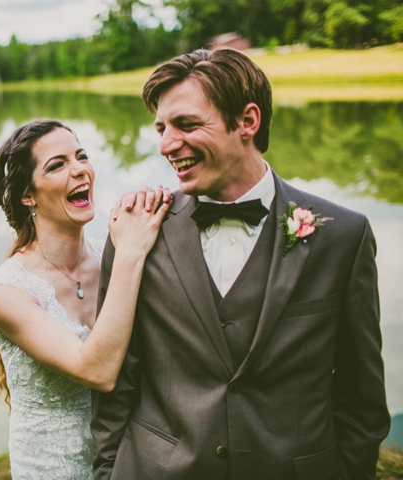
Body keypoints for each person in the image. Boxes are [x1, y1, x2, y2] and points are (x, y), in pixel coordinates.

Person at [91, 48, 390, 480]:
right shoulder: (136, 231)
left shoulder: (343, 235)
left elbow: (360, 394)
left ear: (248, 121)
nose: (166, 145)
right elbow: (118, 382)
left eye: (187, 124)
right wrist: (109, 472)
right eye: (161, 128)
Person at [0, 119, 171, 479]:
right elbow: (96, 371)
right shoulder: (5, 292)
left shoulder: (113, 256)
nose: (80, 169)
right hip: (53, 468)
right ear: (28, 195)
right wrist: (130, 253)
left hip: (128, 458)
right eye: (58, 165)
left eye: (81, 156)